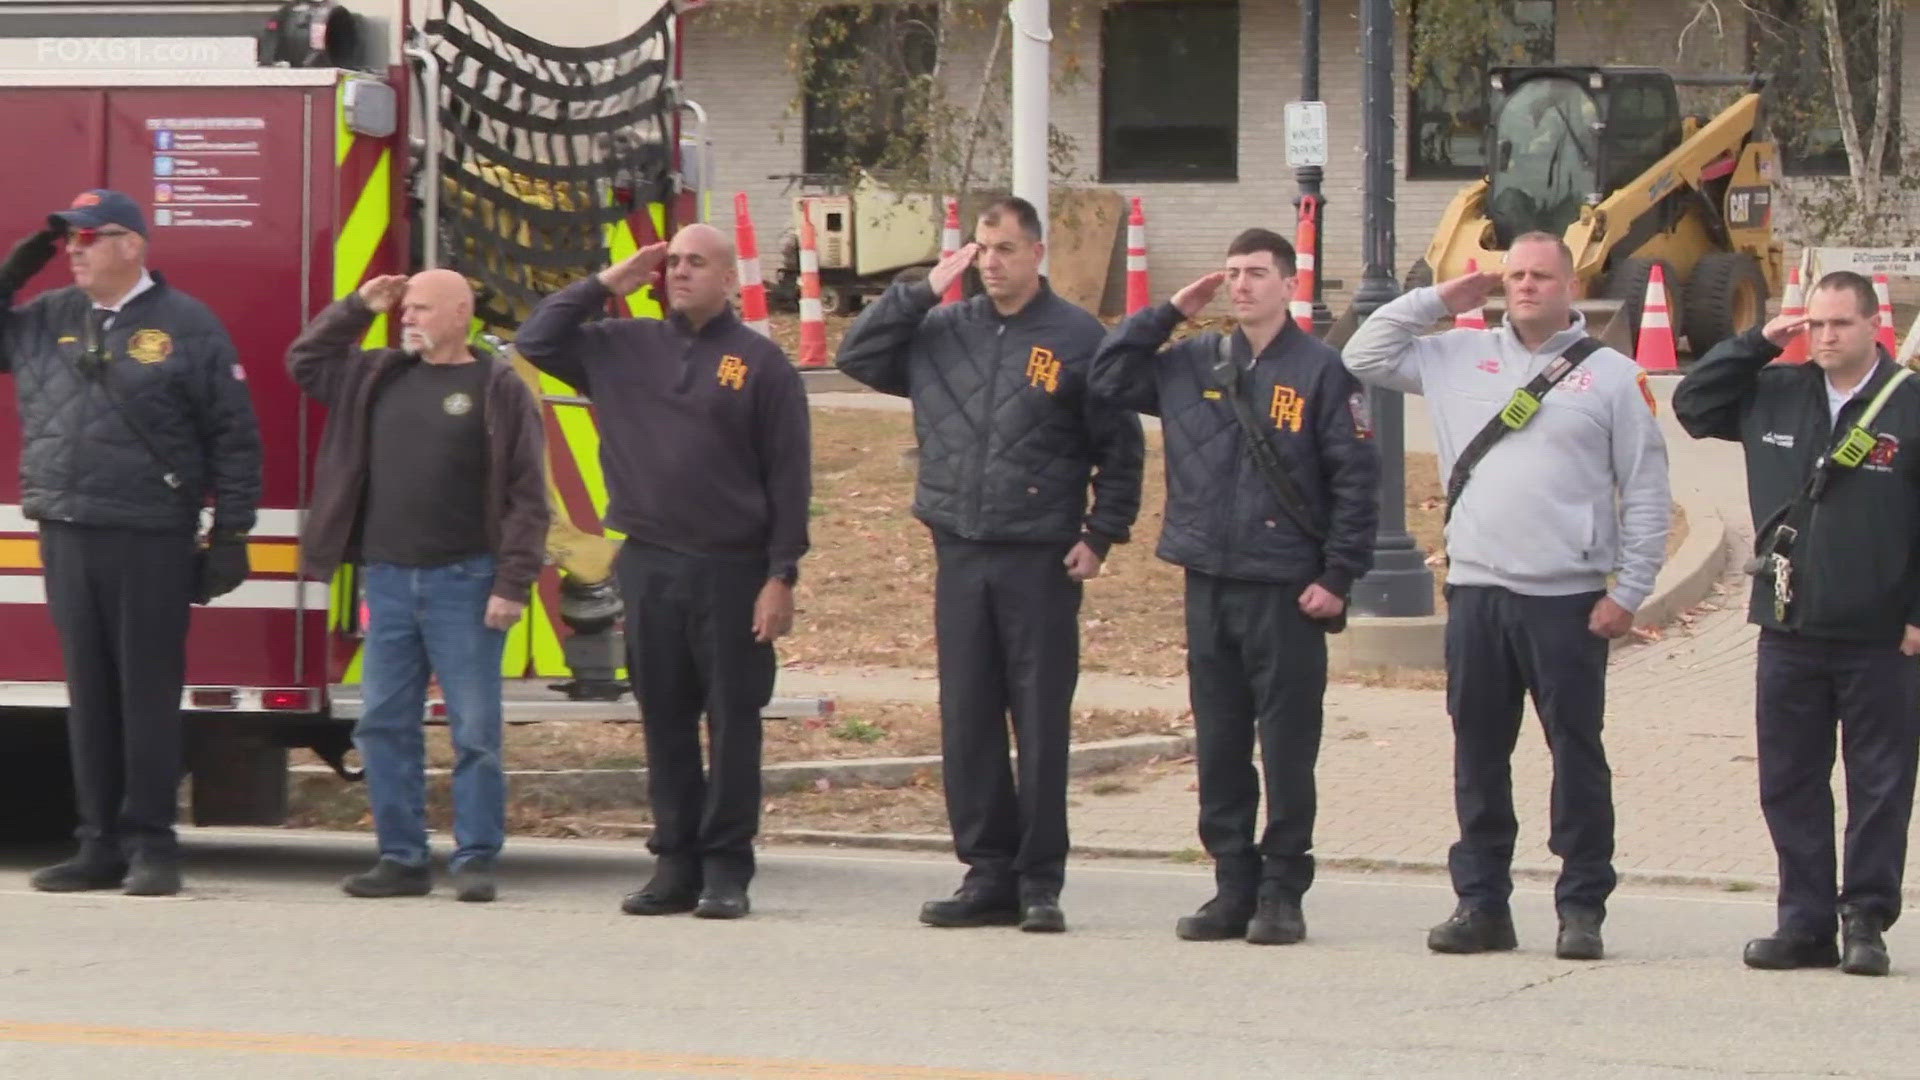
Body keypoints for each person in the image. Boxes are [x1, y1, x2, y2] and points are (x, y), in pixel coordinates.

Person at [1342, 232, 1670, 961]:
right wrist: (1436, 300)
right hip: (1479, 594)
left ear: (1570, 284)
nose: (1525, 286)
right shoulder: (1456, 356)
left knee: (1575, 755)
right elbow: (1360, 354)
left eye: (1541, 276)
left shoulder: (1612, 377)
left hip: (1568, 600)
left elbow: (1646, 491)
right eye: (1514, 275)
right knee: (1479, 756)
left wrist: (1633, 591)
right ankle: (1482, 903)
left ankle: (1581, 906)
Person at [836, 197, 1145, 933]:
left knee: (1038, 721)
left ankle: (1040, 880)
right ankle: (987, 871)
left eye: (1006, 248)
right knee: (967, 718)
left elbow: (1121, 446)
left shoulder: (1074, 337)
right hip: (960, 546)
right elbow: (856, 356)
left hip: (1039, 555)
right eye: (983, 248)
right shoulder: (944, 330)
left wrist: (1101, 534)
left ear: (1037, 253)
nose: (993, 262)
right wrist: (916, 292)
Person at [1090, 228, 1378, 945]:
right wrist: (1167, 314)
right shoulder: (1191, 362)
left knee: (1285, 748)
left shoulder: (1322, 372)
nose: (1243, 285)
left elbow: (1356, 482)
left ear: (1288, 284)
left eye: (1257, 273)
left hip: (1286, 590)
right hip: (1208, 579)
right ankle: (1231, 884)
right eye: (1232, 273)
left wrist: (1338, 576)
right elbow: (1106, 377)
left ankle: (1283, 890)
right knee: (1219, 744)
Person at [516, 223, 811, 921]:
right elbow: (537, 340)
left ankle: (726, 869)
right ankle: (674, 862)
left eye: (695, 262)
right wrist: (611, 281)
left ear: (730, 277)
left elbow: (790, 479)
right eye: (672, 262)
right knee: (665, 720)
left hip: (733, 569)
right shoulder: (623, 347)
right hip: (649, 564)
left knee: (733, 722)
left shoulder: (760, 365)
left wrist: (782, 575)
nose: (680, 272)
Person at [0, 189, 261, 897]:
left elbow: (234, 437)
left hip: (150, 531)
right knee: (88, 694)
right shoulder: (48, 317)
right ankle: (98, 846)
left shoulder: (186, 325)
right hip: (66, 526)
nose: (77, 251)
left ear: (132, 246)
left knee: (146, 693)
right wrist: (20, 264)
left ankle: (152, 843)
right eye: (71, 241)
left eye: (91, 238)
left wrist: (232, 533)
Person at [1674, 271, 1920, 977]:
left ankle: (1866, 919)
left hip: (1882, 637)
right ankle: (1805, 921)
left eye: (1840, 323)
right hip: (1789, 627)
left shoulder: (1908, 406)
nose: (1826, 336)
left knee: (1880, 782)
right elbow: (1692, 403)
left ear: (1875, 325)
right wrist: (1756, 340)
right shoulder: (1776, 392)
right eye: (1815, 324)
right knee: (1789, 779)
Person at [288, 268, 549, 903]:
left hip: (467, 578)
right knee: (382, 723)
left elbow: (525, 495)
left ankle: (476, 856)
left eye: (423, 310)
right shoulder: (375, 375)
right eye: (405, 309)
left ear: (461, 314)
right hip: (389, 581)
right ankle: (402, 857)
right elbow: (305, 360)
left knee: (475, 730)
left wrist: (512, 582)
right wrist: (357, 305)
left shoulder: (496, 386)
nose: (409, 319)